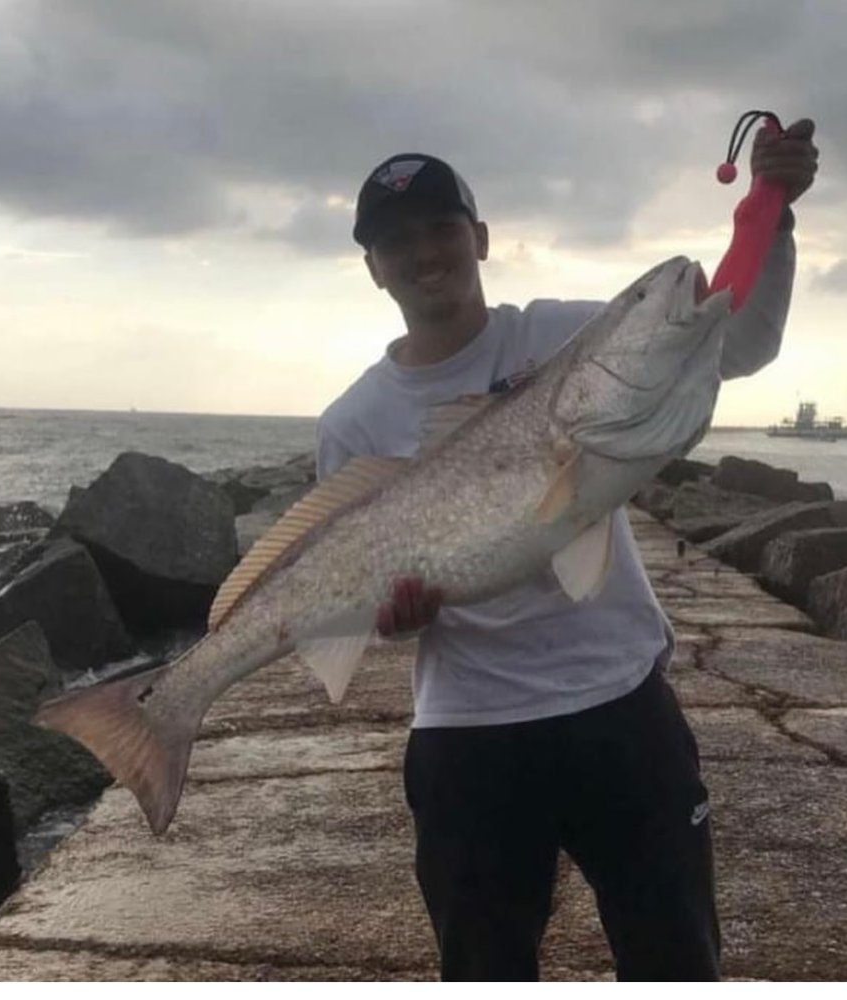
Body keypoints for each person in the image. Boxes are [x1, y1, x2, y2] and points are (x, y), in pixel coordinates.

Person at [316, 122, 818, 981]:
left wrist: (774, 225)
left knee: (676, 962)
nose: (424, 251)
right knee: (483, 971)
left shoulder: (559, 337)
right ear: (372, 266)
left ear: (478, 238)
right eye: (396, 240)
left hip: (621, 707)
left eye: (441, 228)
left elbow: (737, 344)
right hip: (467, 737)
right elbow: (356, 610)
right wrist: (390, 619)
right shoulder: (351, 423)